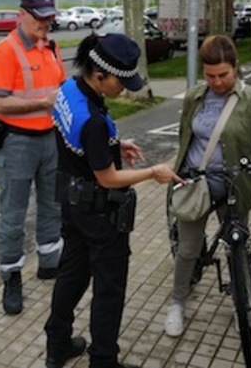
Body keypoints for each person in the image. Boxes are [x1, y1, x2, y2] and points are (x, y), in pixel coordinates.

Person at [44, 33, 183, 368]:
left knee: (71, 276)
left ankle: (57, 345)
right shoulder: (92, 122)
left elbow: (79, 143)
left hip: (71, 203)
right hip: (98, 213)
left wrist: (115, 145)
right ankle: (103, 360)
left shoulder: (69, 89)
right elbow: (106, 177)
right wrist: (153, 172)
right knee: (109, 288)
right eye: (121, 81)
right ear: (100, 75)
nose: (124, 88)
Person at [164, 34, 251, 338]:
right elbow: (186, 138)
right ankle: (178, 303)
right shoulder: (195, 96)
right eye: (210, 76)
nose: (217, 82)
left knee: (238, 245)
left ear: (235, 67)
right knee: (189, 248)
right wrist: (176, 171)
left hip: (236, 184)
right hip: (196, 183)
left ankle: (241, 303)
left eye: (223, 75)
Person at [0, 0, 67, 315]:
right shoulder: (6, 51)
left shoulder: (52, 47)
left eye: (49, 18)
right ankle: (11, 276)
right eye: (40, 19)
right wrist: (42, 103)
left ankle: (49, 262)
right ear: (22, 15)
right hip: (17, 142)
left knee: (53, 205)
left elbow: (60, 89)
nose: (46, 24)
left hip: (50, 139)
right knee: (13, 214)